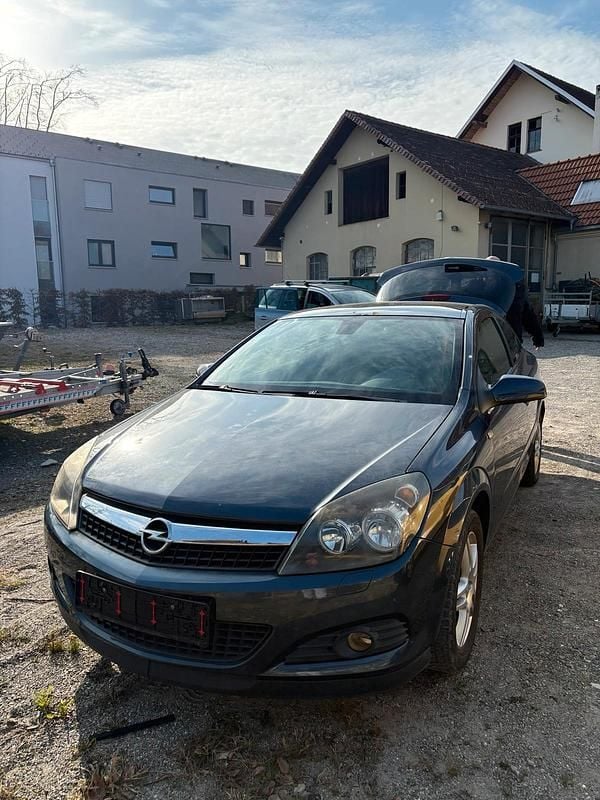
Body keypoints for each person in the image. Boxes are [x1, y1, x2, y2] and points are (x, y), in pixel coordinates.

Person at [485, 256, 544, 347]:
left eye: (494, 269)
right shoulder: (479, 288)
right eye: (489, 269)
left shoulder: (514, 290)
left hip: (511, 339)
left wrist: (537, 337)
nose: (491, 273)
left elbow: (527, 314)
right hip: (485, 338)